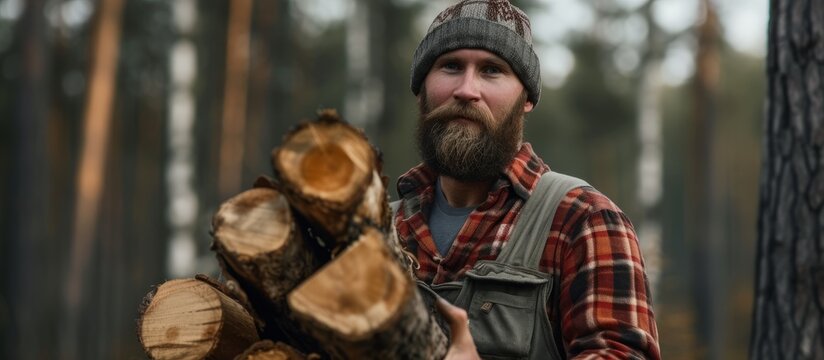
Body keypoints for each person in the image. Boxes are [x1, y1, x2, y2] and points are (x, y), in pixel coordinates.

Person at [393, 0, 661, 358]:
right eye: (451, 66)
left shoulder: (583, 220)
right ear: (421, 88)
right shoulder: (378, 226)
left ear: (526, 99)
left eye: (491, 70)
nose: (467, 89)